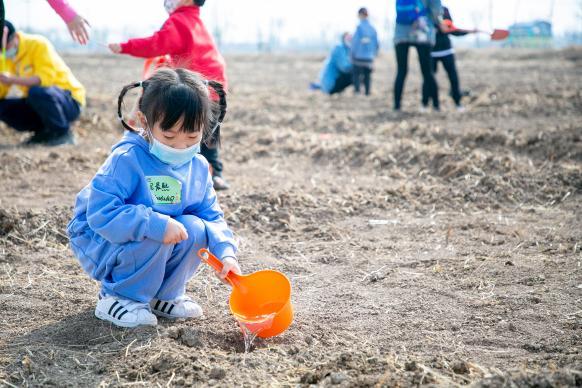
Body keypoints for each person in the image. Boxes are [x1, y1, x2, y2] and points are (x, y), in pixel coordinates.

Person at [67, 68, 241, 328]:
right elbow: (101, 213)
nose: (180, 146)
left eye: (192, 137)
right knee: (156, 231)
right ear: (144, 122)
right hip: (102, 239)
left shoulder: (197, 167)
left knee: (196, 228)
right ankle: (119, 297)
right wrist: (155, 224)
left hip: (152, 239)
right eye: (169, 136)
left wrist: (226, 254)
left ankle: (164, 296)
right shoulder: (126, 159)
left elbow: (211, 215)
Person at [108, 0, 231, 191]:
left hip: (194, 87)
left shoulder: (179, 21)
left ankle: (194, 174)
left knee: (181, 130)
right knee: (206, 133)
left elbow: (156, 44)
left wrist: (125, 46)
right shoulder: (195, 20)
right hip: (214, 84)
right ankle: (214, 174)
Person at [0, 20, 85, 146]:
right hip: (38, 102)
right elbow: (2, 92)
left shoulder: (38, 44)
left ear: (15, 37)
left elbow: (44, 80)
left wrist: (12, 79)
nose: (5, 51)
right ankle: (44, 132)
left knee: (36, 91)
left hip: (69, 101)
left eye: (5, 47)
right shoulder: (5, 57)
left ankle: (62, 133)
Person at [393, 0, 444, 111]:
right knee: (427, 72)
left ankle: (397, 106)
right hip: (423, 31)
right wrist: (439, 23)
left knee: (401, 70)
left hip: (401, 32)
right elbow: (437, 11)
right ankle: (436, 105)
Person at [424, 6, 468, 111]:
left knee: (453, 78)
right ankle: (425, 104)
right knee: (428, 79)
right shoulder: (424, 10)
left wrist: (468, 31)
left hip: (447, 51)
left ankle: (458, 103)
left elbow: (451, 29)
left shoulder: (444, 10)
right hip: (431, 52)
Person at [351, 7, 379, 96]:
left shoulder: (359, 28)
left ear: (360, 15)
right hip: (369, 57)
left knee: (356, 74)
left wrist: (352, 54)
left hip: (358, 57)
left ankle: (357, 91)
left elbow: (354, 42)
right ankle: (367, 92)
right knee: (367, 76)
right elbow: (376, 43)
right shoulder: (372, 28)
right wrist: (374, 54)